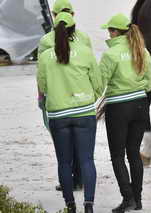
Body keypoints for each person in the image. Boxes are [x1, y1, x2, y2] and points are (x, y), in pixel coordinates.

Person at [37, 12, 103, 213]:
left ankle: (70, 205)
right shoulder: (85, 51)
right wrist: (87, 98)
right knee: (87, 160)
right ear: (74, 29)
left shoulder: (45, 56)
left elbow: (43, 86)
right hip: (84, 112)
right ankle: (89, 205)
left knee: (64, 162)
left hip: (58, 114)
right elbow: (99, 84)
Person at [99, 13, 151, 213]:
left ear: (115, 32)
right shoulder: (142, 51)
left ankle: (127, 198)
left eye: (109, 30)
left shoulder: (110, 55)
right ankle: (137, 200)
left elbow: (99, 83)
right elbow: (149, 81)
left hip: (118, 107)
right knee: (134, 154)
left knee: (117, 155)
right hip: (140, 104)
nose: (108, 34)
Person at [38, 0, 91, 192]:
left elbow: (41, 74)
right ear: (73, 16)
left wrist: (41, 97)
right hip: (82, 99)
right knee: (82, 144)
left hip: (56, 99)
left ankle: (70, 181)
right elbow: (89, 67)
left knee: (63, 145)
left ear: (54, 16)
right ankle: (80, 179)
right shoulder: (84, 38)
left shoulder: (45, 41)